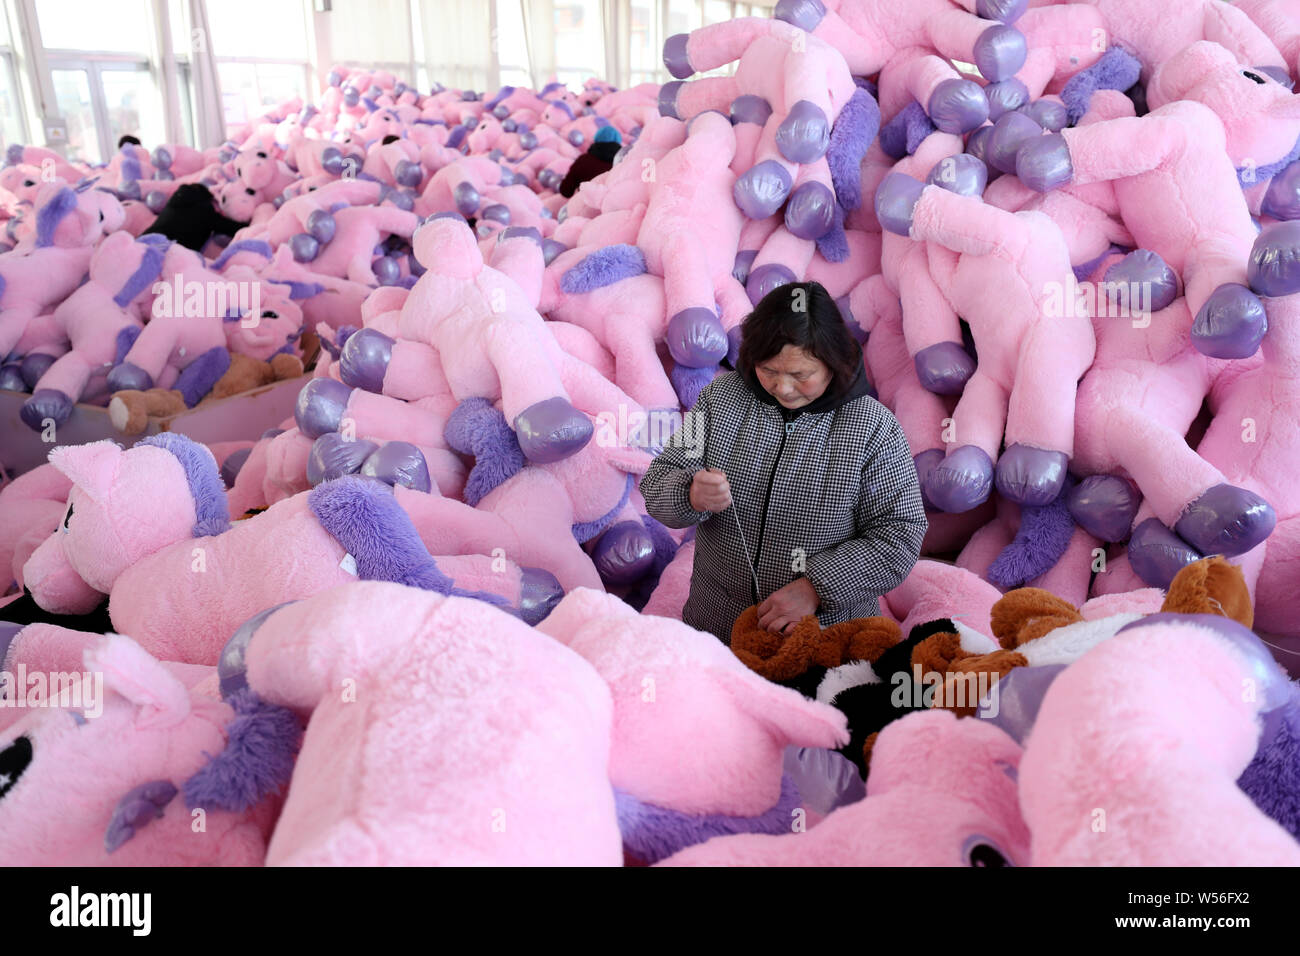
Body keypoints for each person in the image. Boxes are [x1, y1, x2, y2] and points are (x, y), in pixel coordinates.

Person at [640, 281, 927, 643]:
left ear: (833, 364)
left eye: (800, 375)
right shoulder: (721, 399)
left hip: (826, 640)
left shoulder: (873, 427)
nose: (783, 388)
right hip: (715, 631)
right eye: (769, 370)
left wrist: (816, 588)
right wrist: (690, 494)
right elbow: (657, 483)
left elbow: (899, 533)